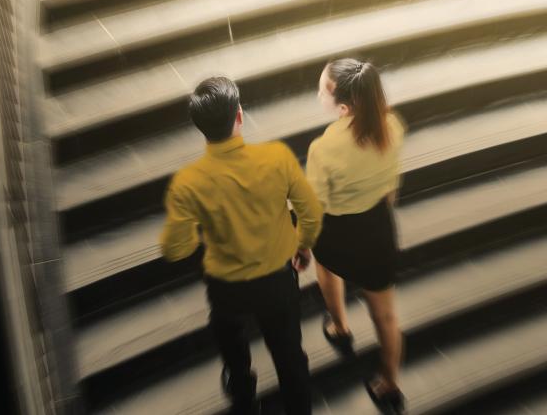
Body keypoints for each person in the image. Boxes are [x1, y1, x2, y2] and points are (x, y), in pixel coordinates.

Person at [159, 76, 323, 415]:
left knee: (231, 344)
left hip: (227, 288)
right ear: (239, 115)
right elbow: (311, 212)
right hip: (277, 281)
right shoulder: (277, 158)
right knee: (290, 357)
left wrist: (191, 236)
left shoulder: (187, 183)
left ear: (200, 128)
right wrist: (303, 247)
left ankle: (244, 396)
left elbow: (175, 249)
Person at [306, 58, 406, 414]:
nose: (318, 94)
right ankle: (390, 382)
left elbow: (316, 205)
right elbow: (391, 183)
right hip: (378, 227)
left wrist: (302, 242)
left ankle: (339, 325)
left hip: (338, 230)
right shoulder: (392, 125)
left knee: (327, 268)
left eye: (322, 91)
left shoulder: (324, 149)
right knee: (386, 316)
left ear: (344, 107)